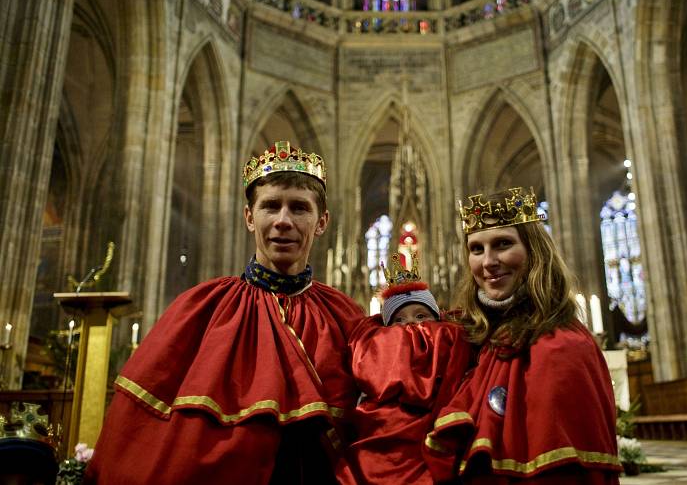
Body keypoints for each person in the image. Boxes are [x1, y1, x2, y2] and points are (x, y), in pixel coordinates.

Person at [85, 141, 365, 484]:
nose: (283, 221)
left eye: (299, 208)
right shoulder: (202, 310)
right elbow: (151, 443)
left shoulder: (347, 317)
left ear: (321, 222)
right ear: (250, 217)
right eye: (271, 206)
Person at [424, 187, 622, 484]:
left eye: (502, 244)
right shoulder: (473, 337)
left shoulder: (563, 346)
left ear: (535, 252)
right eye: (476, 249)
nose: (488, 261)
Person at [338, 253, 472, 485]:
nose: (411, 325)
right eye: (399, 320)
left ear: (438, 318)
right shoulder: (376, 353)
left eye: (421, 316)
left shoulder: (453, 343)